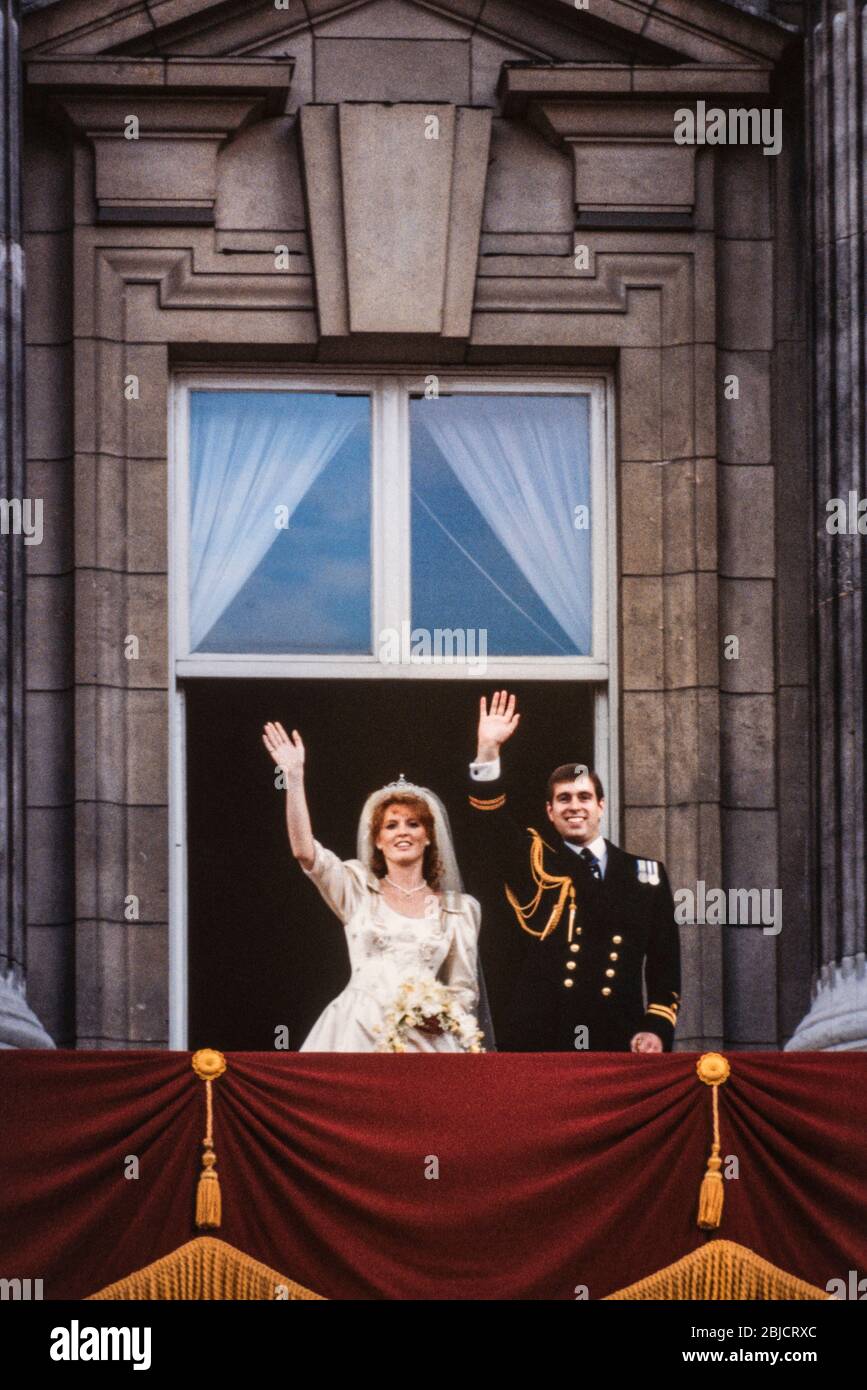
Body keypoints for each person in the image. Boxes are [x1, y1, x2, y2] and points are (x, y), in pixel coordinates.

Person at [467, 692, 681, 1053]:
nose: (574, 807)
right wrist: (488, 750)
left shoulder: (646, 875)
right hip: (541, 1039)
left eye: (584, 797)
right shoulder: (535, 861)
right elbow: (491, 824)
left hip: (618, 1037)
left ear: (600, 806)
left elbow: (664, 965)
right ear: (550, 811)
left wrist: (656, 1027)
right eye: (564, 799)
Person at [262, 721, 487, 1052]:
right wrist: (293, 778)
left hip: (425, 1041)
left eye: (413, 824)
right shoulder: (355, 890)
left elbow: (463, 988)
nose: (403, 832)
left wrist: (441, 1016)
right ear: (378, 840)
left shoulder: (457, 909)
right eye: (391, 825)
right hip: (356, 1030)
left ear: (428, 837)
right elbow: (304, 852)